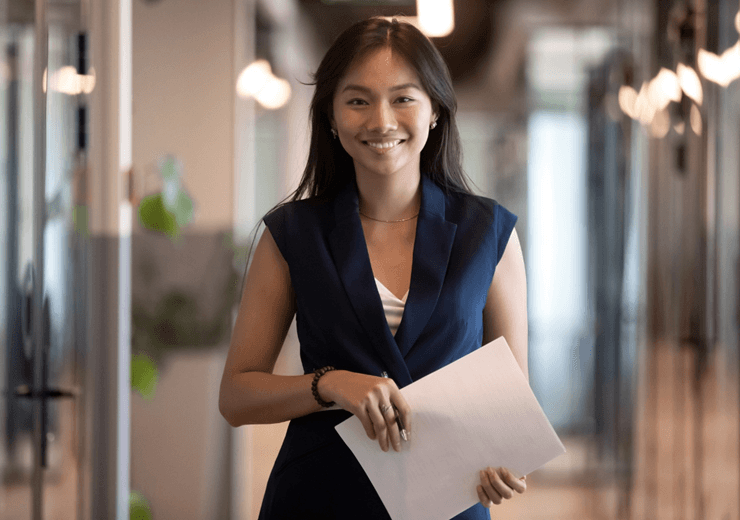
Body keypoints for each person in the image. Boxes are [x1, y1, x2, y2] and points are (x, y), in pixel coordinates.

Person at [219, 16, 529, 520]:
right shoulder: (291, 234)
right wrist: (330, 384)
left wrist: (503, 461)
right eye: (358, 100)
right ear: (332, 118)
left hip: (448, 503)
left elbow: (512, 408)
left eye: (403, 98)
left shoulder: (488, 232)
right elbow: (236, 396)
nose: (381, 120)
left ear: (434, 112)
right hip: (321, 499)